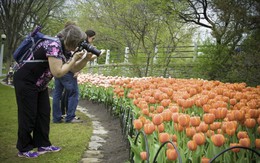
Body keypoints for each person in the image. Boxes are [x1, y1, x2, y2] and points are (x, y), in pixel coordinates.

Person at [13, 24, 93, 158]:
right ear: (72, 40)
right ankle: (24, 148)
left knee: (43, 114)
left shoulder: (64, 48)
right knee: (29, 114)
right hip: (26, 81)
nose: (79, 46)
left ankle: (43, 144)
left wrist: (85, 59)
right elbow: (58, 72)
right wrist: (74, 59)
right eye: (78, 43)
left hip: (39, 83)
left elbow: (72, 69)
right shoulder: (53, 45)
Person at [52, 29, 97, 123]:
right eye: (92, 38)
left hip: (59, 67)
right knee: (74, 93)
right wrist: (77, 69)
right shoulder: (78, 43)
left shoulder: (61, 42)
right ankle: (70, 117)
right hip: (68, 71)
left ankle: (56, 118)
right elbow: (74, 58)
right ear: (88, 37)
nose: (92, 40)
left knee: (57, 93)